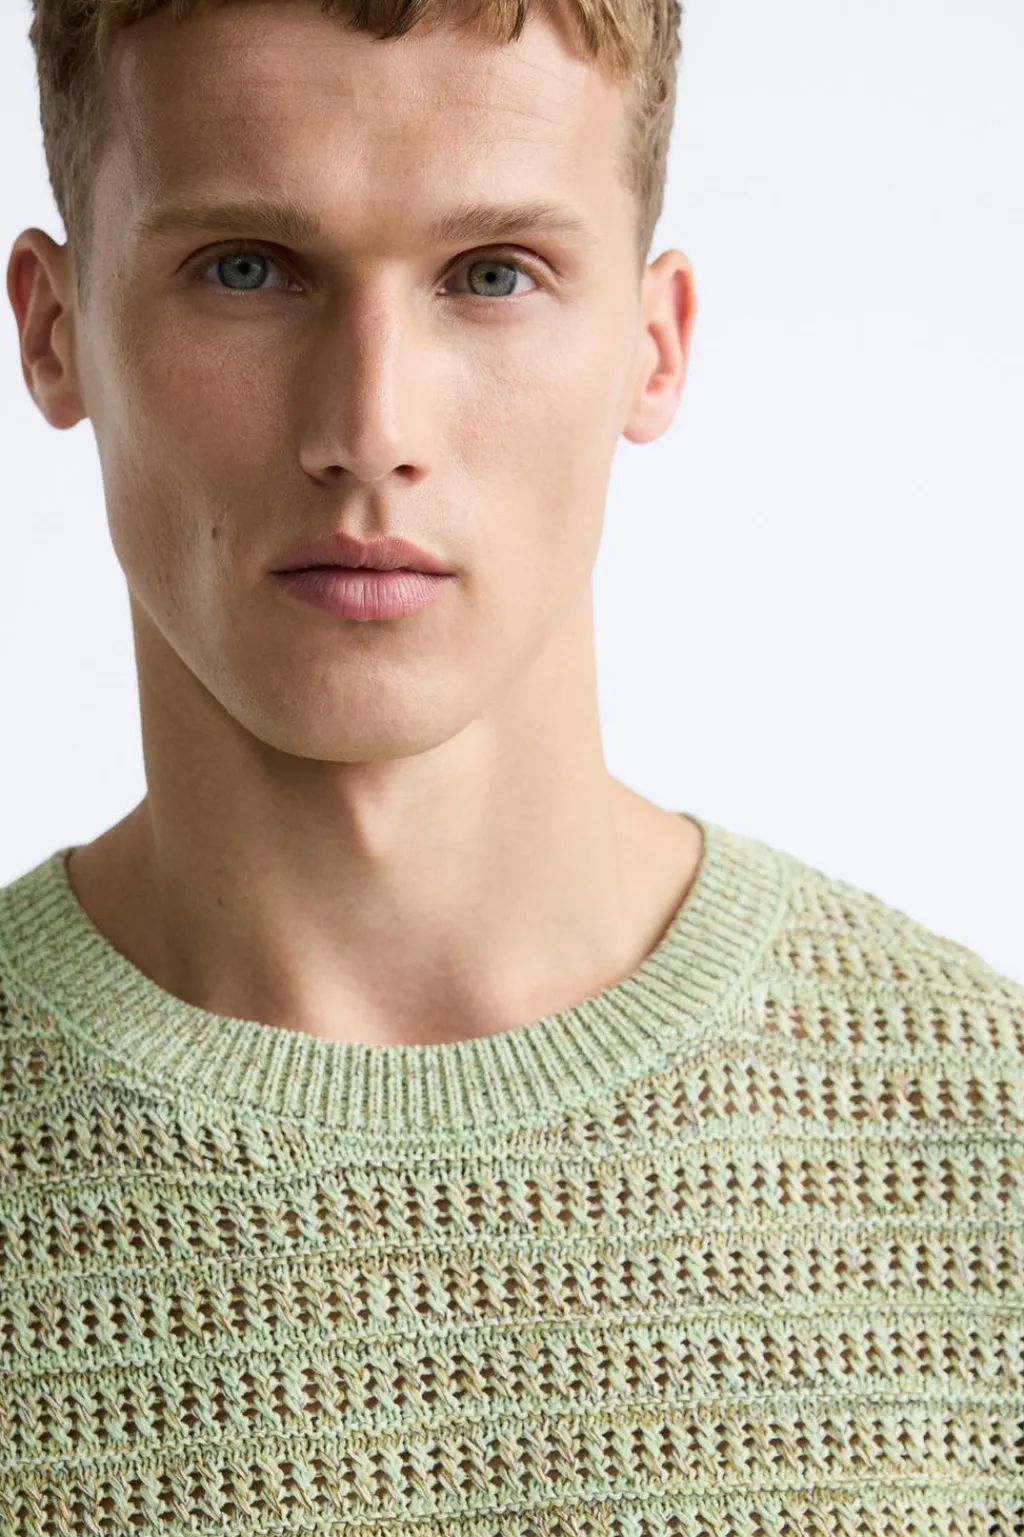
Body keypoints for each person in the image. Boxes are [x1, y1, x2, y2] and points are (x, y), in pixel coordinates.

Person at [2, 1, 1021, 1533]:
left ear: (655, 346)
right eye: (246, 269)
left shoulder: (986, 1152)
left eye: (493, 275)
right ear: (53, 329)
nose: (371, 430)